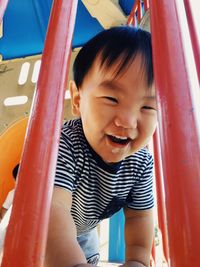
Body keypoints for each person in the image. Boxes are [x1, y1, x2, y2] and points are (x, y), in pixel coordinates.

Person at [45, 26, 157, 267]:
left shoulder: (141, 163)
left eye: (147, 107)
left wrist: (138, 260)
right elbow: (54, 208)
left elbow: (140, 216)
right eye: (111, 99)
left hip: (82, 231)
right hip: (38, 223)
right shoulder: (63, 142)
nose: (127, 121)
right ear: (77, 99)